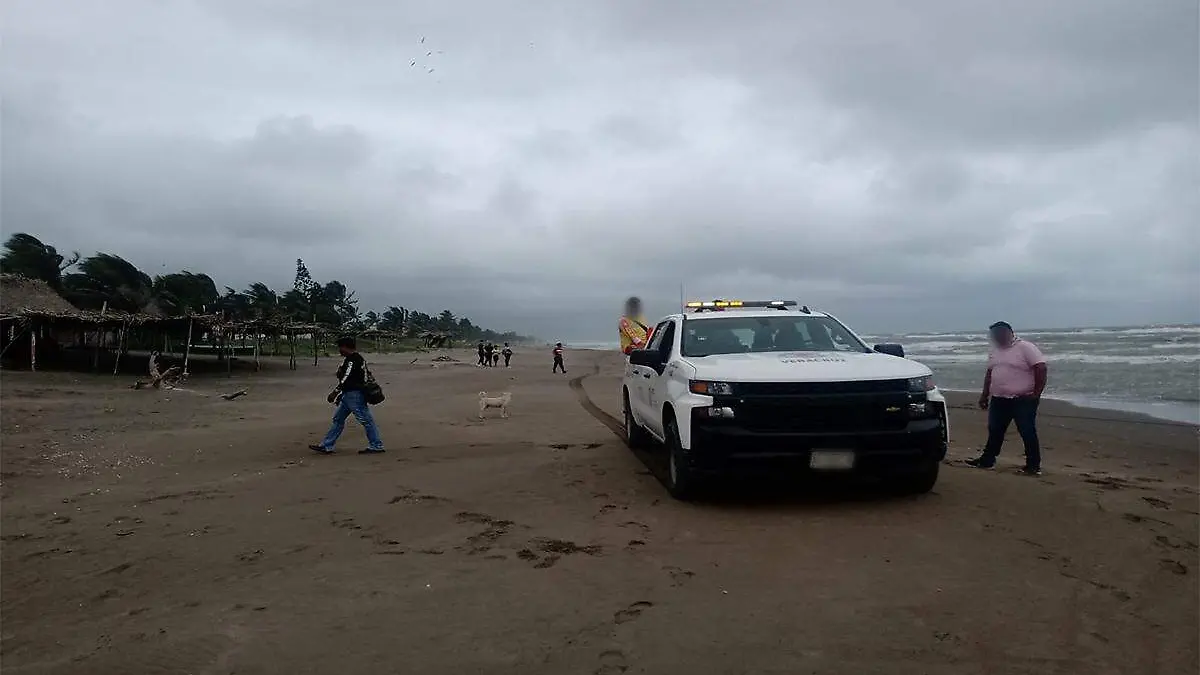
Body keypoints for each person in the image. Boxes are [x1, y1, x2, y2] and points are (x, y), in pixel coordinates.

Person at [967, 321, 1048, 475]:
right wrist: (985, 395)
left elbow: (1041, 367)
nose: (998, 337)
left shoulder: (1025, 347)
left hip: (1022, 399)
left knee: (1027, 431)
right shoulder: (995, 350)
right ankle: (987, 461)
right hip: (999, 398)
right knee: (995, 430)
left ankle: (1033, 465)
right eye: (995, 335)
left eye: (1001, 333)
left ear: (1010, 332)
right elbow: (990, 373)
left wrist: (1037, 393)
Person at [309, 337, 384, 455]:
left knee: (366, 420)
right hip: (350, 394)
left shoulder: (352, 360)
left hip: (353, 394)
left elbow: (346, 378)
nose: (339, 350)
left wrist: (336, 391)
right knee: (338, 420)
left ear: (345, 347)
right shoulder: (358, 359)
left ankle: (376, 445)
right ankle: (326, 445)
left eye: (340, 347)